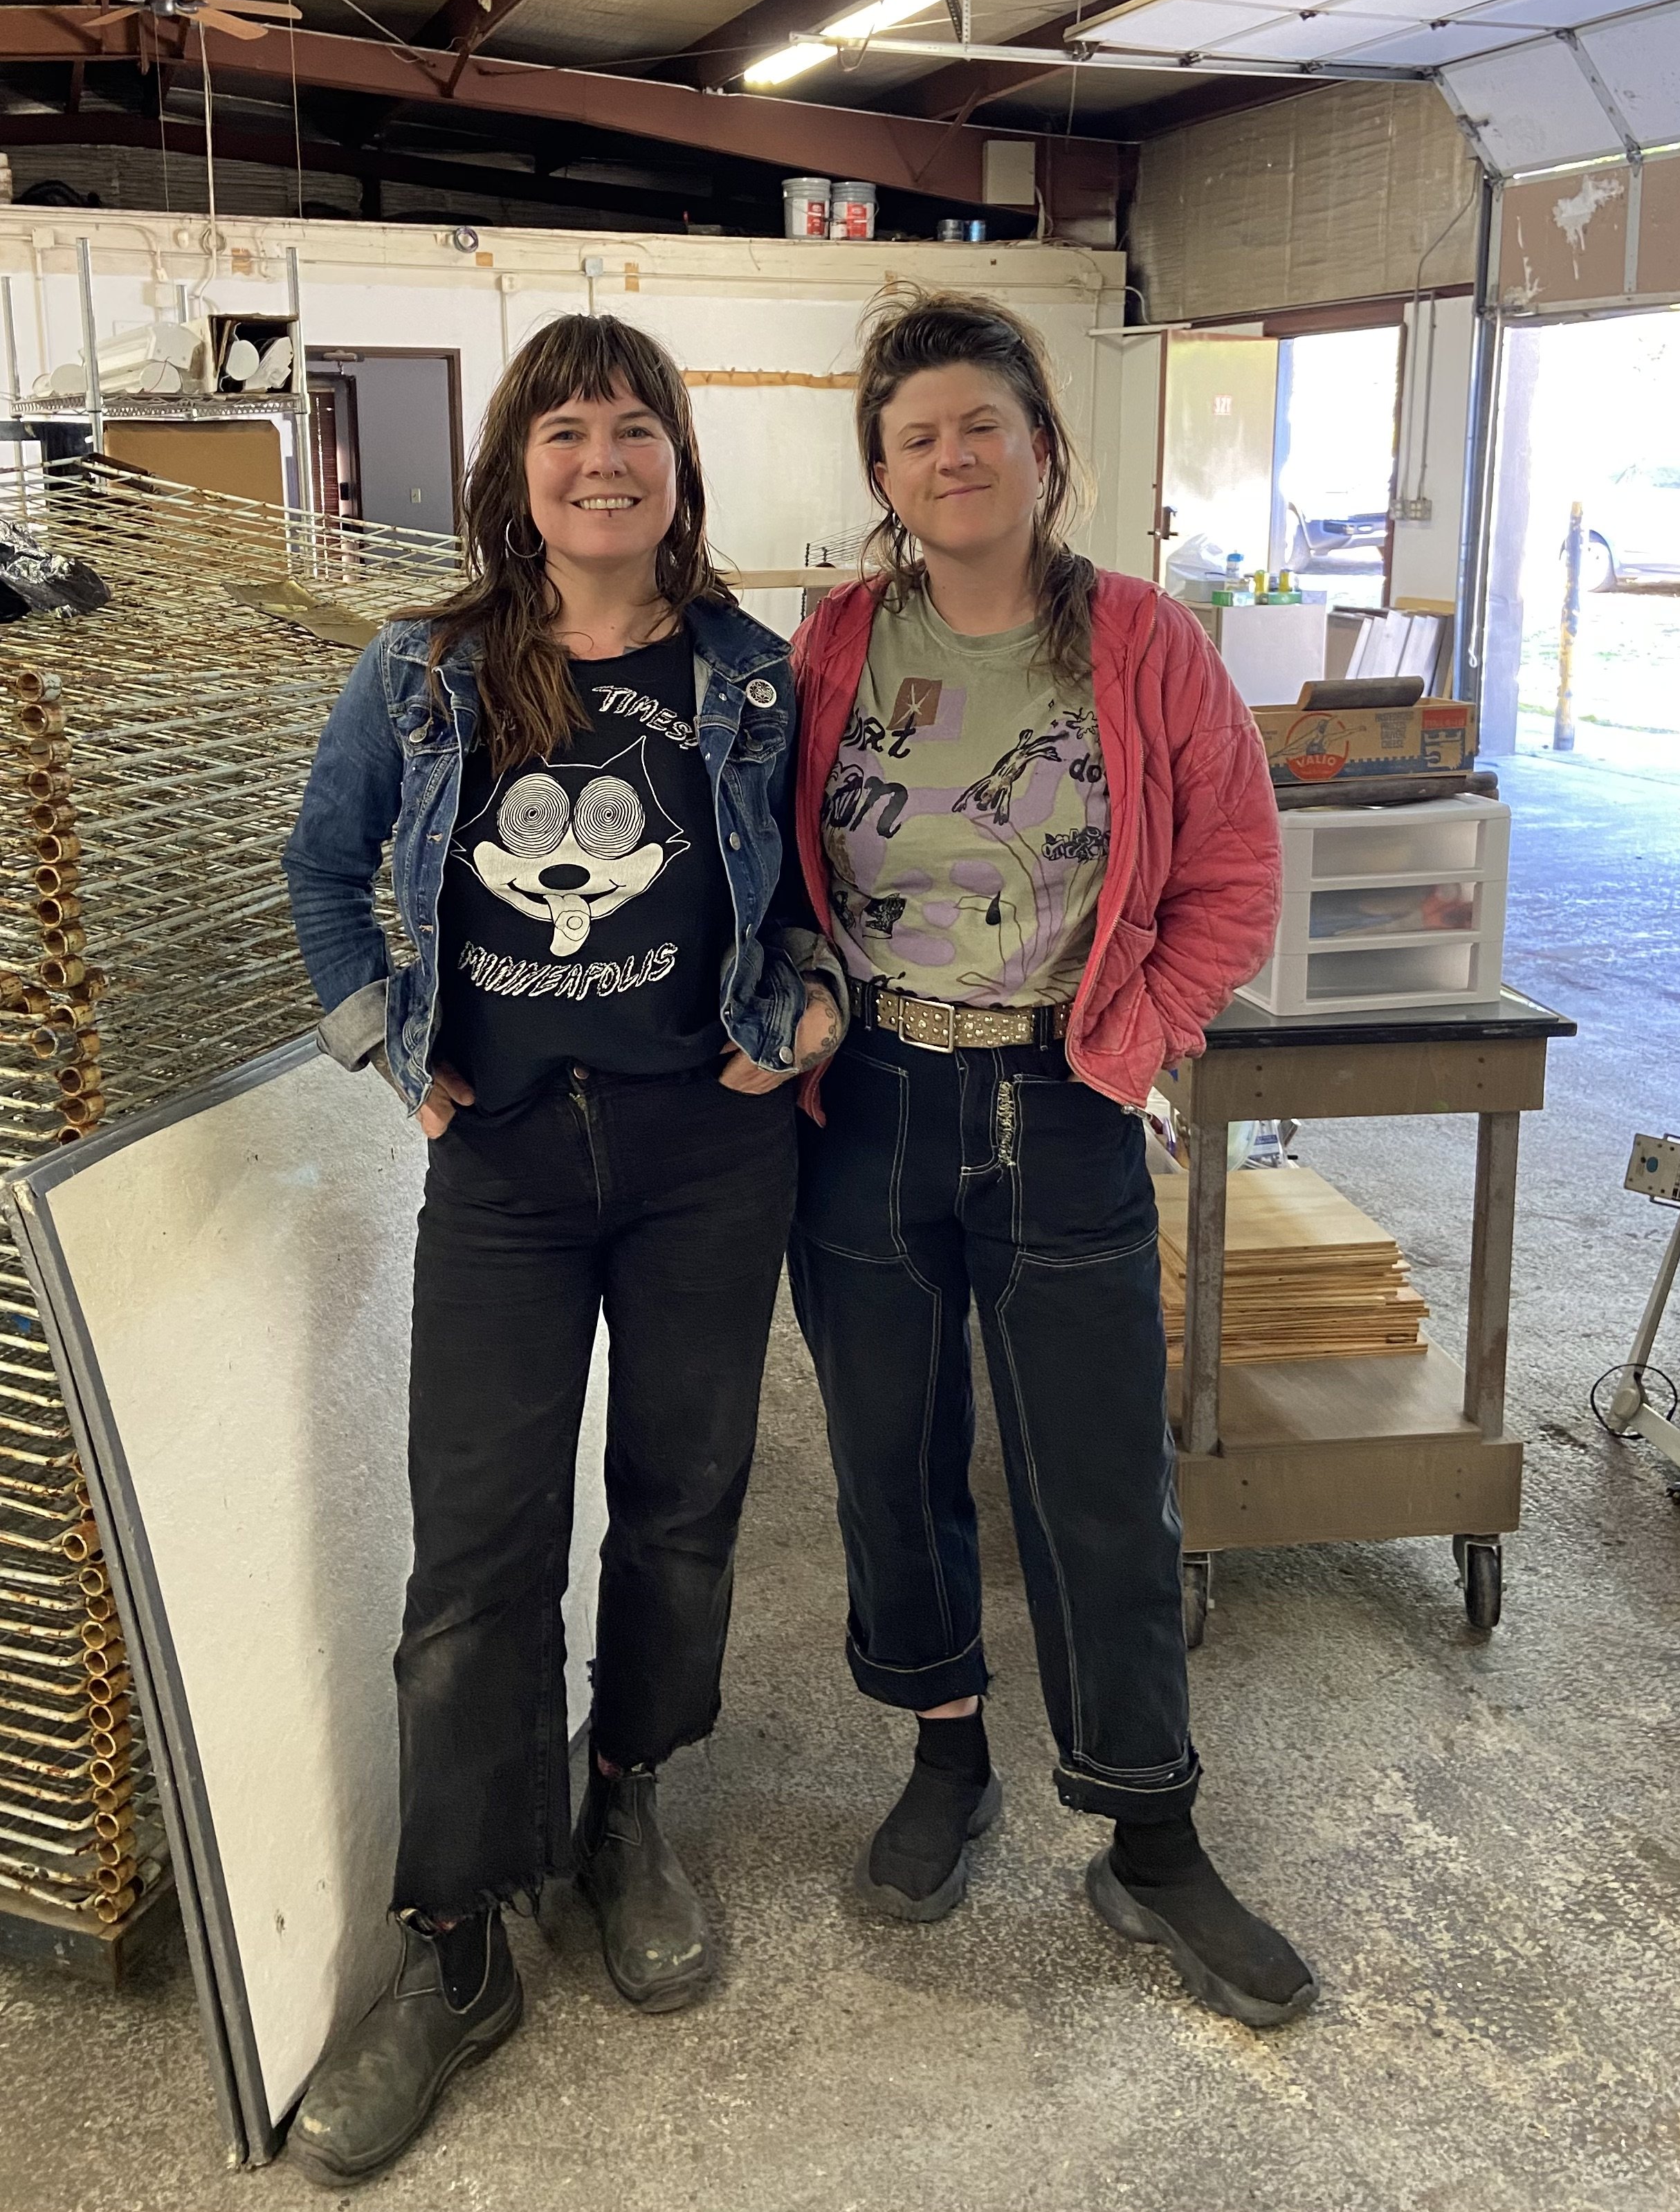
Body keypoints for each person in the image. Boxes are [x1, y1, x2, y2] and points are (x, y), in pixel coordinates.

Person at [280, 312, 843, 2187]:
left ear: (679, 467)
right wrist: (384, 1040)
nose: (600, 460)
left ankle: (628, 1803)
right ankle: (454, 1946)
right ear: (513, 473)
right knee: (477, 1553)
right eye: (563, 432)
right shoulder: (425, 673)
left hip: (707, 1155)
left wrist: (812, 1005)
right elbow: (322, 866)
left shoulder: (750, 681)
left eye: (634, 430)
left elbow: (821, 906)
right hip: (508, 1167)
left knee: (680, 1504)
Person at [786, 284, 1317, 2029]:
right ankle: (949, 1753)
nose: (952, 458)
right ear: (883, 468)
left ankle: (1148, 1836)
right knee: (891, 1450)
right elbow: (769, 857)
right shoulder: (837, 644)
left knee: (1098, 1478)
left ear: (1042, 447)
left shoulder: (1147, 647)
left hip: (1062, 1102)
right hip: (869, 1102)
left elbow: (1234, 872)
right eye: (917, 434)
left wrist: (1137, 1033)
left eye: (980, 427)